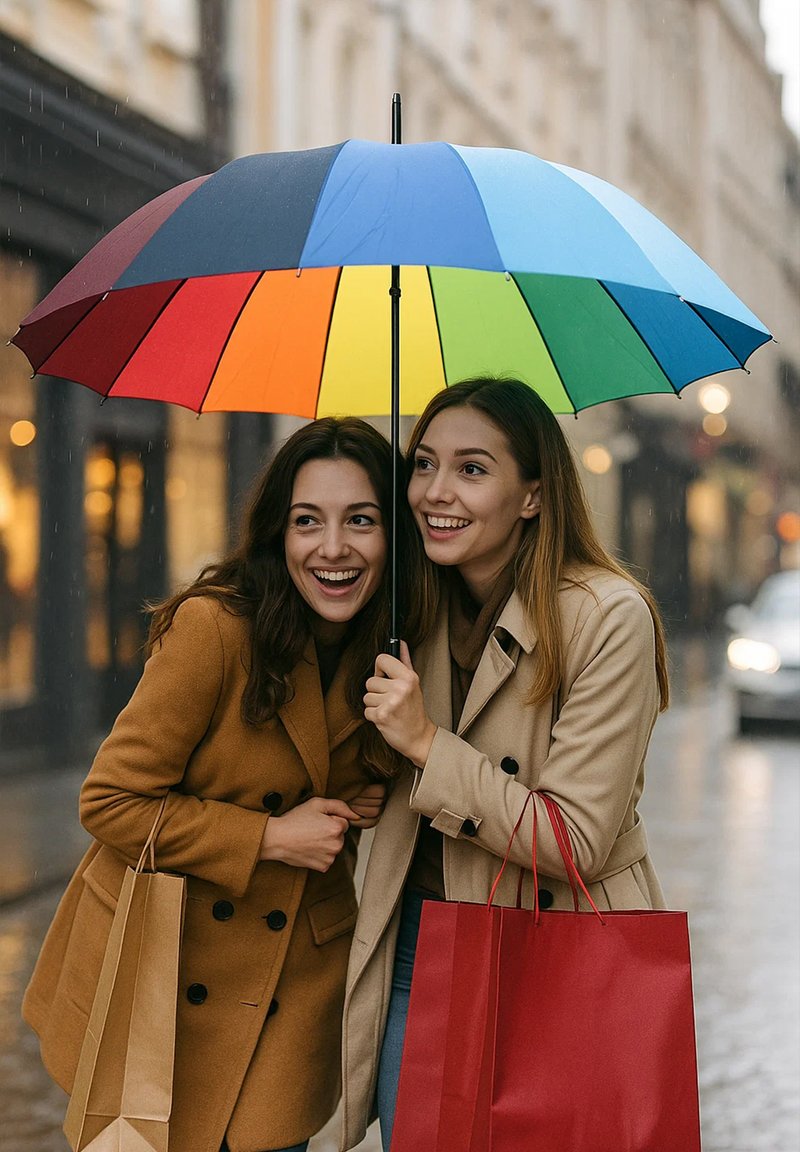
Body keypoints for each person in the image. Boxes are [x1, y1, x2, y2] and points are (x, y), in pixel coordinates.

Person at [23, 416, 425, 1152]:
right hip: (165, 973)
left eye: (361, 520)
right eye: (308, 521)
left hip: (292, 987)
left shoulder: (396, 649)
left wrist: (369, 789)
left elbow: (349, 770)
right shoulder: (217, 630)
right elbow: (108, 801)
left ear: (394, 536)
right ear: (278, 533)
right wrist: (270, 836)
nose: (333, 548)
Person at [339, 377, 670, 1152]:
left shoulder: (605, 616)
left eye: (473, 468)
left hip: (558, 954)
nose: (435, 492)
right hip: (417, 950)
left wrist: (426, 744)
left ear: (533, 495)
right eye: (423, 464)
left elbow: (574, 843)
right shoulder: (404, 610)